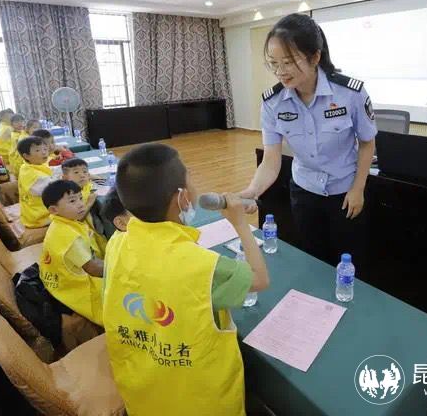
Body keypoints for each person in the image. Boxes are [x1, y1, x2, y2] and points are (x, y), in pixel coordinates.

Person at [103, 143, 269, 416]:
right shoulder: (201, 266)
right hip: (200, 401)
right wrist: (240, 223)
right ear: (182, 198)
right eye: (190, 176)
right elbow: (259, 279)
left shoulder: (116, 243)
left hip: (143, 392)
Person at [238, 13, 377, 268]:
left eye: (288, 62)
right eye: (273, 63)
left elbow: (367, 144)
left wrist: (358, 188)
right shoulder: (273, 103)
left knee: (349, 261)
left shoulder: (349, 93)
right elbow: (270, 160)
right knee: (313, 260)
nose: (280, 72)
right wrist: (253, 191)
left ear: (315, 57)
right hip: (304, 192)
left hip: (345, 192)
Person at [40, 180, 105, 326]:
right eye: (72, 201)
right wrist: (119, 267)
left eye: (81, 198)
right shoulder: (69, 237)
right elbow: (93, 268)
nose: (81, 204)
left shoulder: (59, 224)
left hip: (57, 283)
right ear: (54, 210)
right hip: (73, 288)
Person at [62, 157, 107, 252]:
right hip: (80, 234)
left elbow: (103, 181)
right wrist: (89, 203)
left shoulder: (87, 186)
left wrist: (90, 176)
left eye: (85, 171)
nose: (82, 175)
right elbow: (77, 219)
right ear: (65, 177)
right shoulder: (68, 195)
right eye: (76, 172)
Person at [17, 136, 53, 228]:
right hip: (40, 217)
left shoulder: (27, 166)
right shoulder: (34, 177)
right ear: (26, 156)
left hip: (31, 212)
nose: (44, 152)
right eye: (38, 150)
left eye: (45, 149)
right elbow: (54, 190)